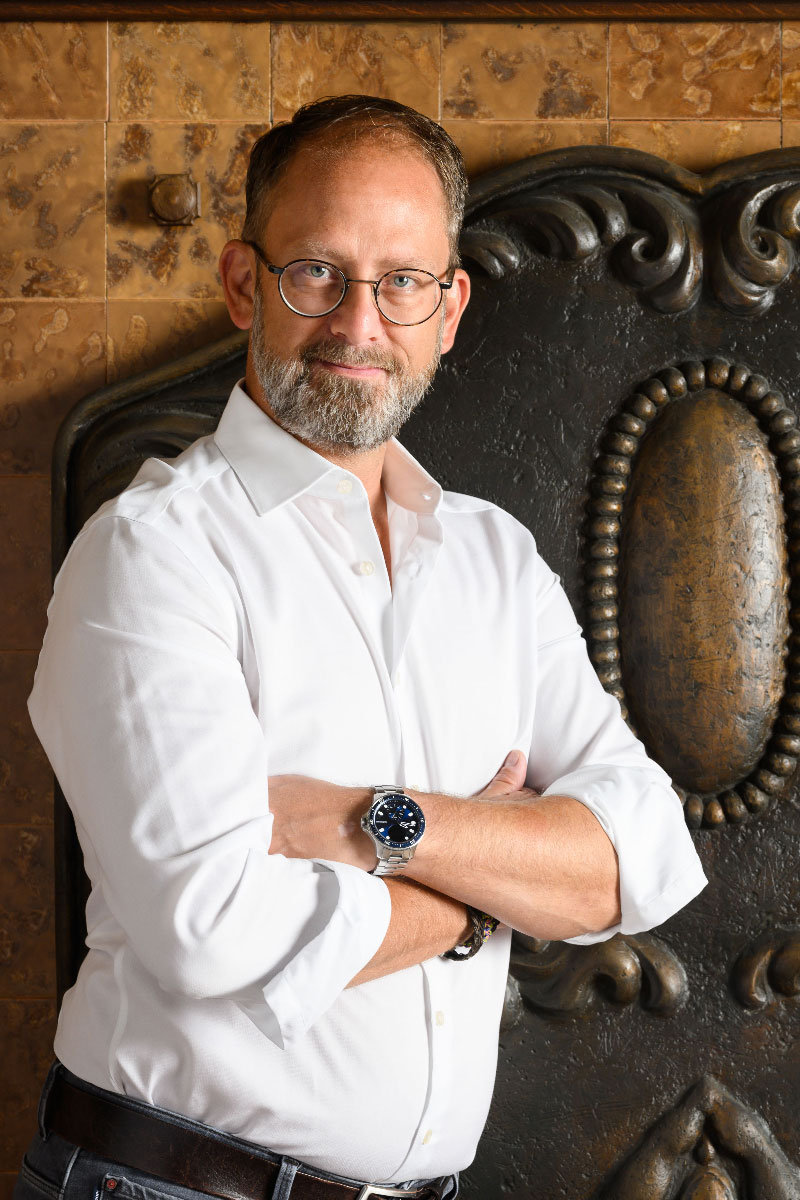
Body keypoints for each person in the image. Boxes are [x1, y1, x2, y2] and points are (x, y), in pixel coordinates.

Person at [18, 95, 707, 1200]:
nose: (357, 326)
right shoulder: (151, 553)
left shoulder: (492, 558)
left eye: (401, 282)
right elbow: (212, 931)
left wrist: (378, 823)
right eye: (316, 274)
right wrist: (483, 892)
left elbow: (643, 857)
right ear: (246, 283)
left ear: (449, 308)